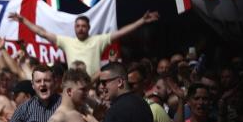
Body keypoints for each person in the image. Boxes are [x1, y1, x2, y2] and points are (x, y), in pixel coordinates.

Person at [9, 11, 159, 78]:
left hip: (94, 86)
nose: (80, 28)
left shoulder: (98, 40)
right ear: (74, 28)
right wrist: (23, 21)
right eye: (77, 26)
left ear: (88, 28)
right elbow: (42, 32)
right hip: (73, 87)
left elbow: (121, 33)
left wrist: (141, 21)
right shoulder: (67, 42)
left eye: (83, 26)